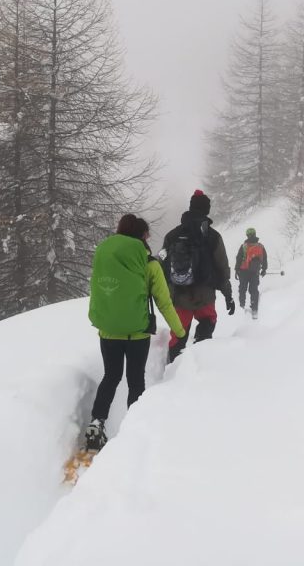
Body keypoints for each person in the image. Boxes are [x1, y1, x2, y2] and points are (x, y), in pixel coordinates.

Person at [84, 214, 186, 450]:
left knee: (111, 377)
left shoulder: (103, 254)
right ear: (142, 235)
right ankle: (132, 430)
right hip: (136, 333)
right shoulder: (148, 263)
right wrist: (179, 331)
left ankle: (96, 423)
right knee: (135, 379)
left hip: (108, 331)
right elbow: (164, 301)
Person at [162, 190, 234, 363]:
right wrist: (228, 294)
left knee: (178, 335)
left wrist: (166, 294)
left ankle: (173, 371)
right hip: (205, 294)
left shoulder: (172, 235)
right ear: (206, 210)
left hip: (179, 295)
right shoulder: (213, 236)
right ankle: (200, 364)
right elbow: (222, 268)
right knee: (207, 324)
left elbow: (163, 267)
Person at [235, 227, 268, 320]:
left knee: (242, 289)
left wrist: (236, 270)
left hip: (243, 271)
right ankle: (254, 310)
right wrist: (264, 269)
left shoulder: (244, 246)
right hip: (255, 272)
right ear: (255, 234)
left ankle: (241, 307)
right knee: (254, 290)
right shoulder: (261, 246)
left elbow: (238, 258)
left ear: (247, 235)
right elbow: (265, 258)